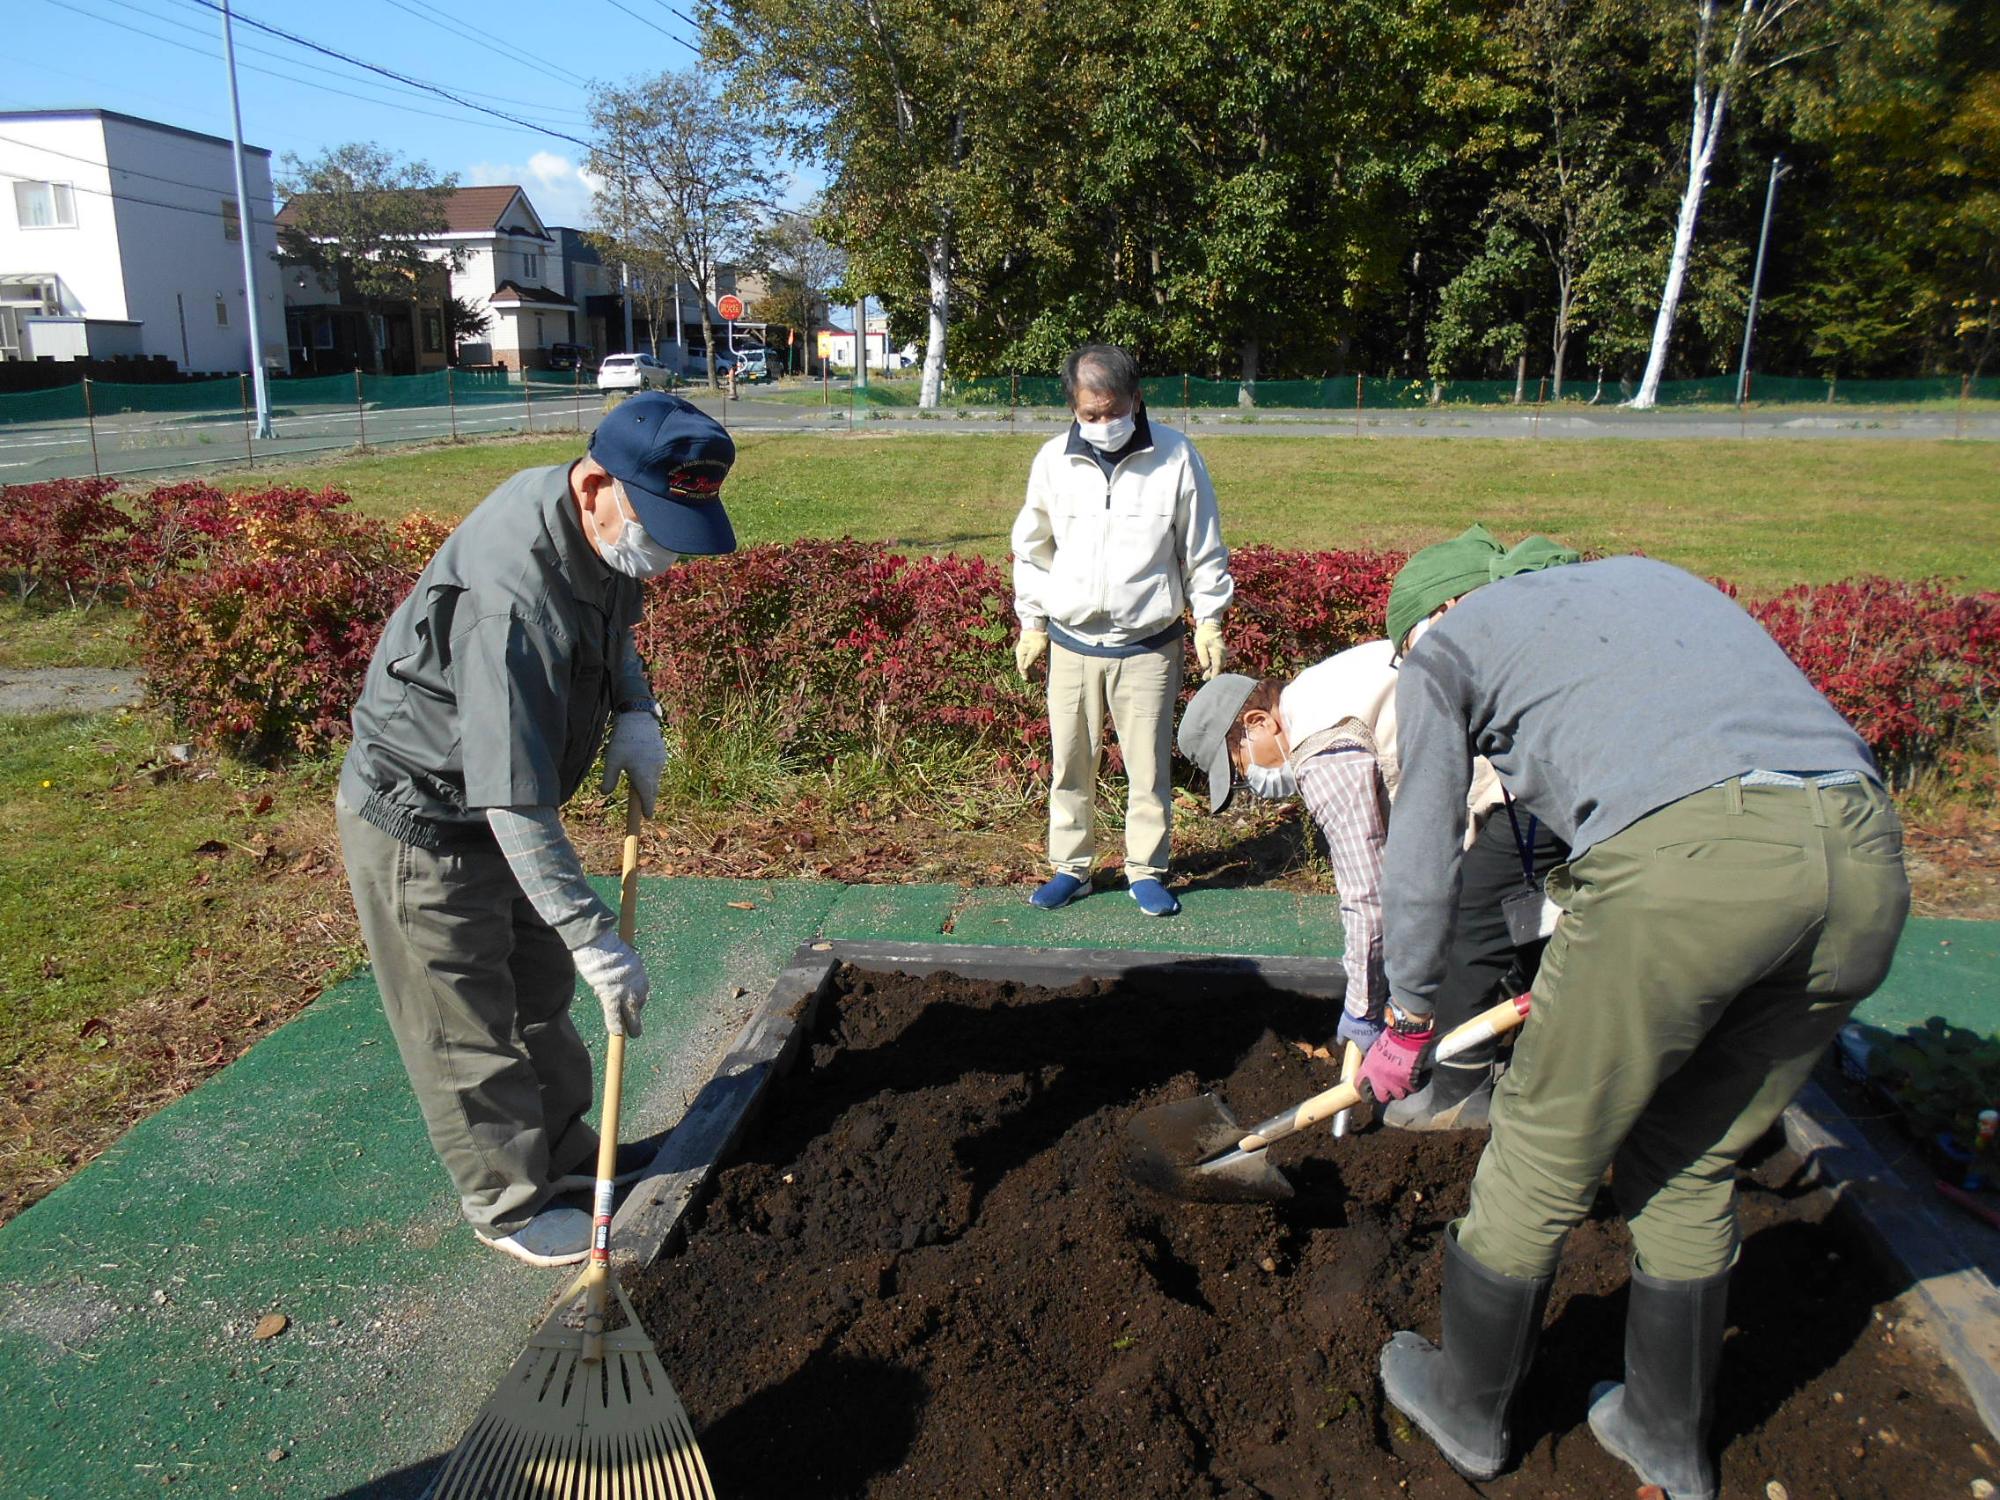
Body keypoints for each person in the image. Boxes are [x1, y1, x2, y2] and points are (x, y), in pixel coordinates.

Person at [1360, 526, 1911, 1500]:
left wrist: (1405, 1014)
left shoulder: (1447, 645)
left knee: (1538, 1144)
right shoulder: (1649, 580)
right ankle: (1664, 1439)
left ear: (1430, 616)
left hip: (1690, 867)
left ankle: (1466, 1406)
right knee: (1691, 1155)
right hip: (1863, 861)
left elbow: (1421, 845)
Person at [336, 392, 737, 1268]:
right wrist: (598, 935)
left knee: (540, 990)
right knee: (466, 1024)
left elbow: (615, 620)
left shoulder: (589, 523)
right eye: (655, 527)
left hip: (498, 802)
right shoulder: (511, 596)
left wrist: (634, 708)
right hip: (426, 818)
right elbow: (510, 800)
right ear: (596, 483)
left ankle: (564, 1159)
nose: (660, 557)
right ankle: (510, 1204)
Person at [1176, 635, 1567, 1129]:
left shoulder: (1322, 749)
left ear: (1258, 722)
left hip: (1521, 783)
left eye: (1240, 763)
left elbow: (1367, 894)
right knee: (1505, 918)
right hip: (1540, 760)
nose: (1254, 779)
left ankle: (1459, 1091)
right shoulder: (1318, 691)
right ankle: (1554, 1050)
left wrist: (1365, 1011)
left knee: (1467, 926)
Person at [1011, 344, 1234, 918]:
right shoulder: (1053, 462)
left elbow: (1202, 548)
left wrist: (1209, 620)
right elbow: (1032, 550)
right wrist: (1032, 622)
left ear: (1136, 399)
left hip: (1149, 646)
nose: (1103, 425)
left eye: (1113, 411)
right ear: (1073, 408)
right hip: (1072, 643)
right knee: (1071, 762)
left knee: (1148, 767)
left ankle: (1147, 869)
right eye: (1089, 415)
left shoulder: (1177, 458)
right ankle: (1072, 867)